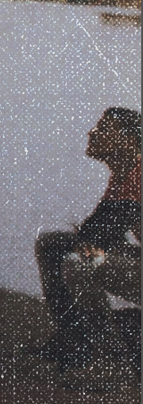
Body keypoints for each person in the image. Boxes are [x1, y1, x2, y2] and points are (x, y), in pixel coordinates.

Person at [32, 108, 141, 375]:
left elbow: (109, 227)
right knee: (53, 244)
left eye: (104, 128)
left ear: (129, 141)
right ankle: (75, 343)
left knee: (78, 263)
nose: (92, 133)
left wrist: (92, 243)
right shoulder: (123, 175)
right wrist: (91, 241)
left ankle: (112, 360)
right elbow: (99, 229)